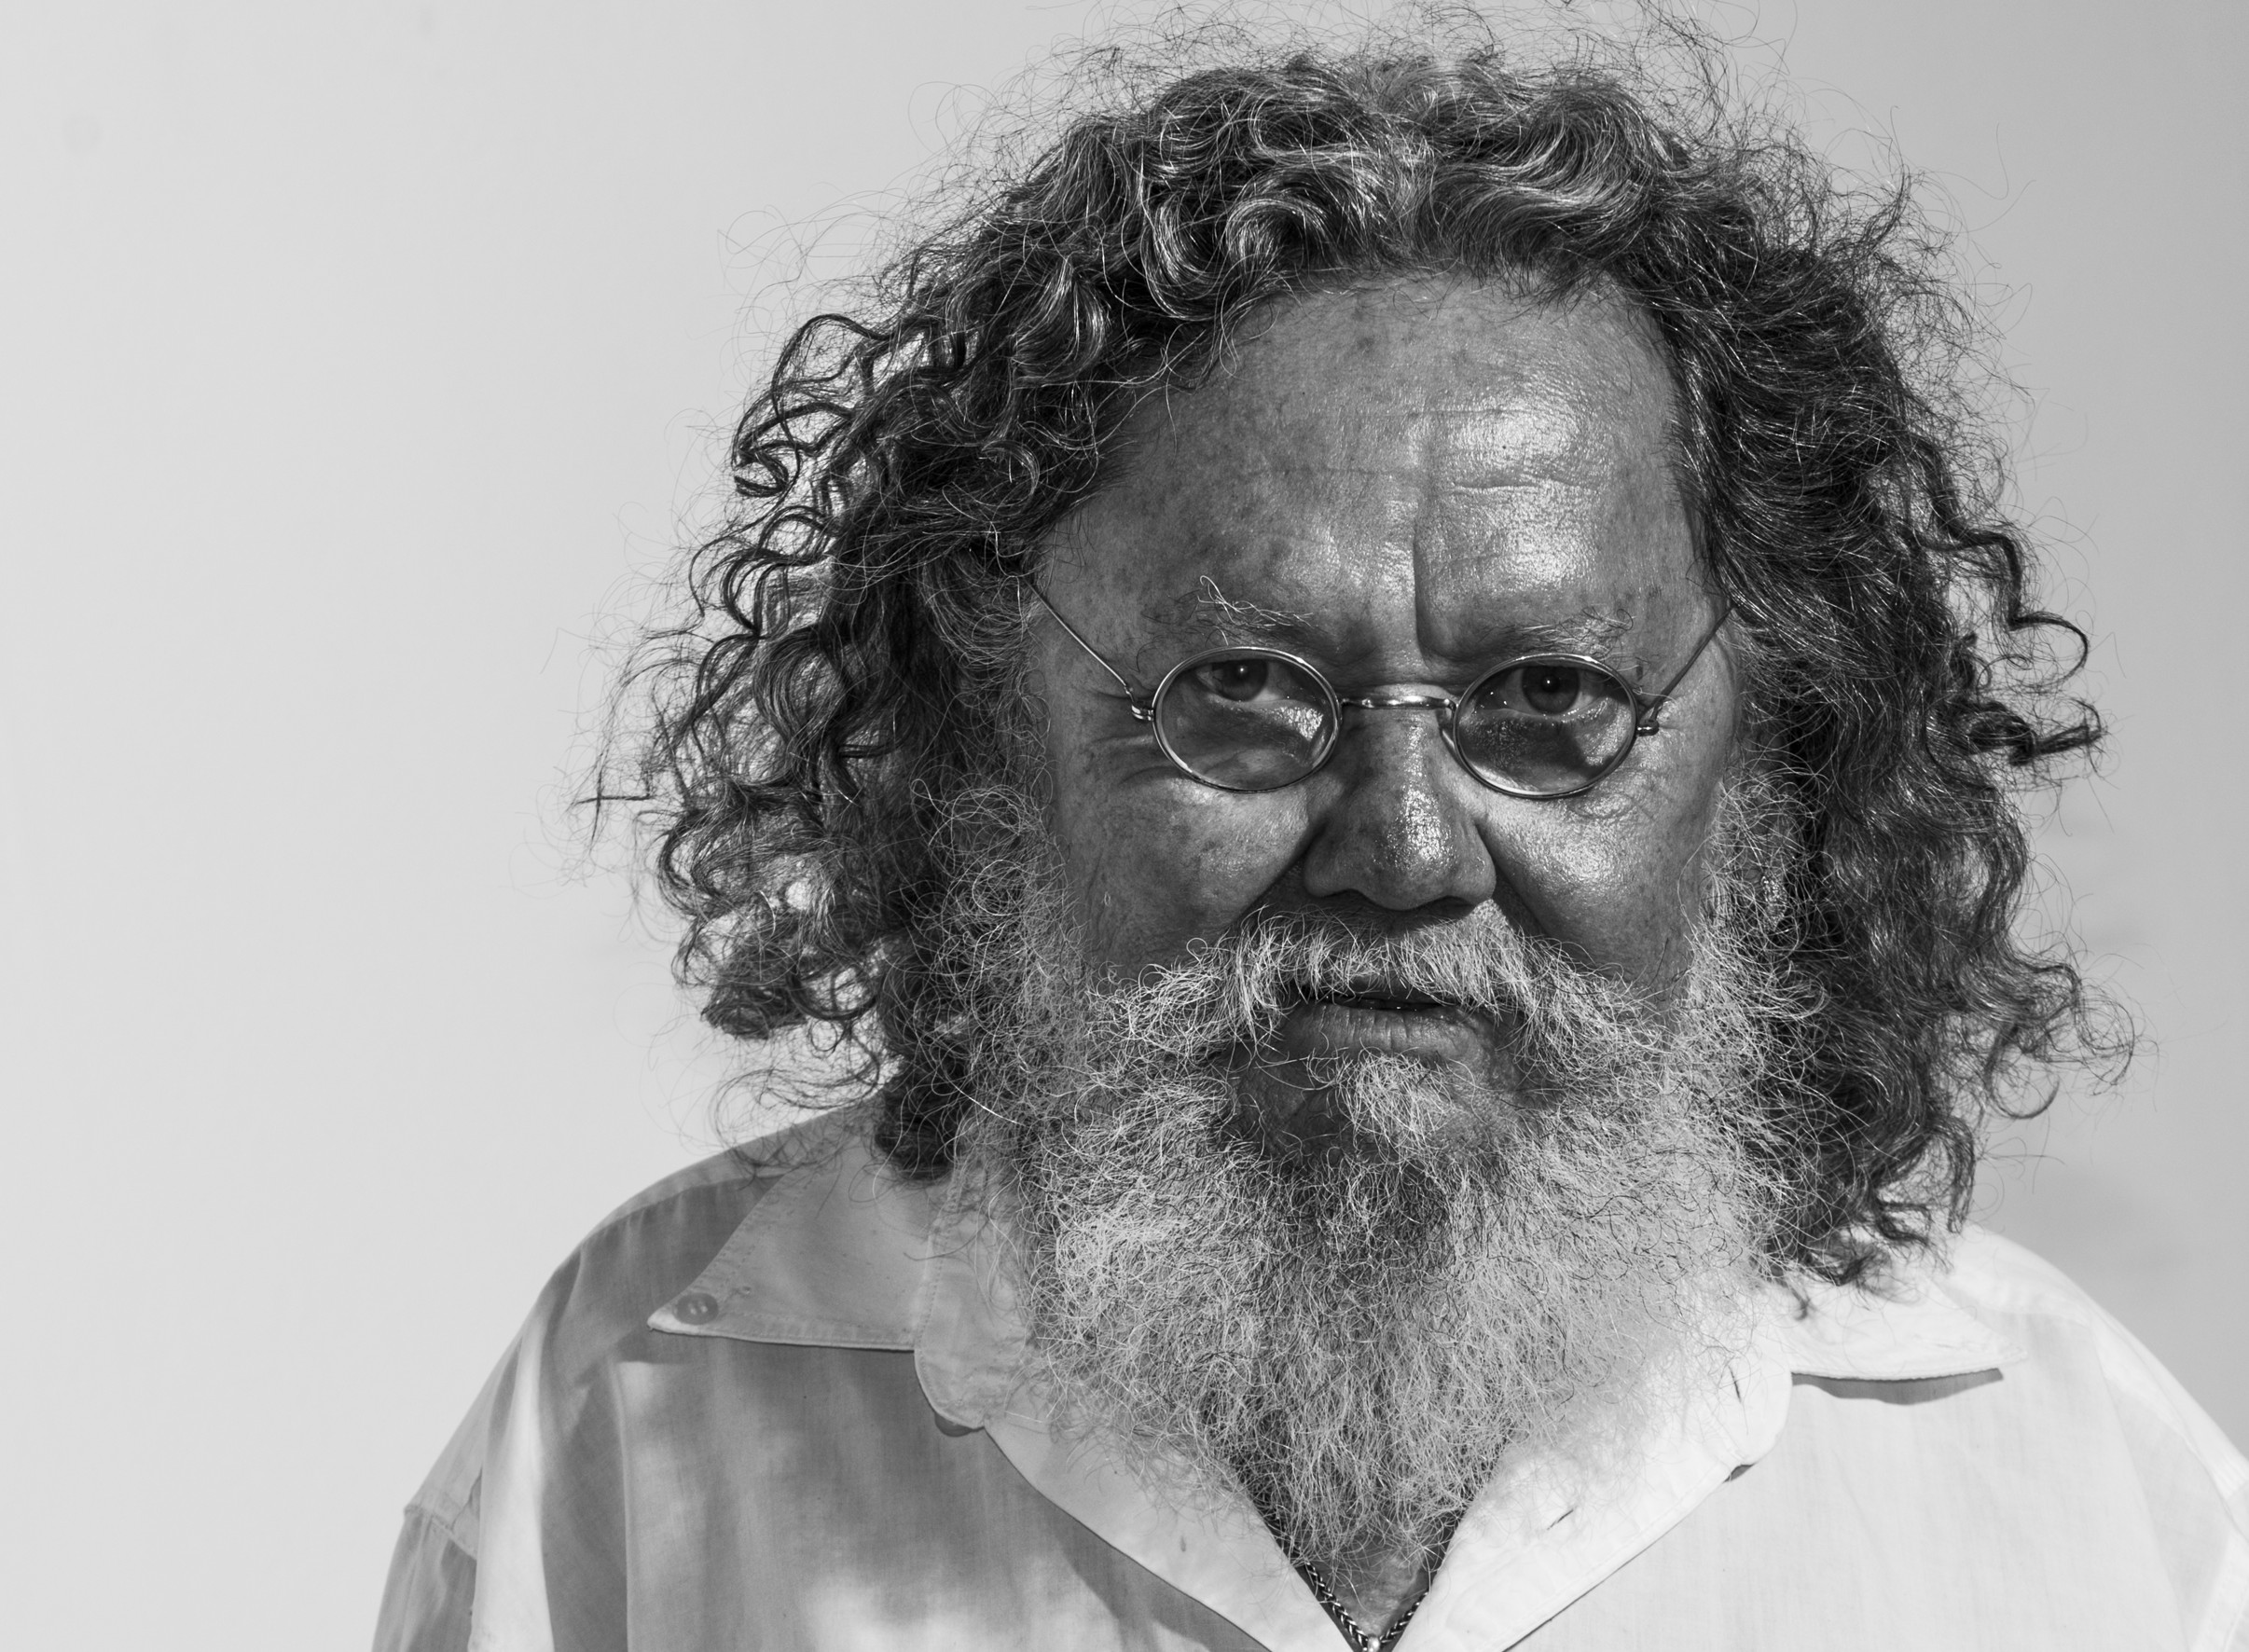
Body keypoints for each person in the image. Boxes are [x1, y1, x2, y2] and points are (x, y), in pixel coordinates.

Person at [374, 15, 2247, 1651]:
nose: (1407, 848)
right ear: (988, 730)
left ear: (1769, 761)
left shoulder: (2094, 1504)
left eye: (1551, 699)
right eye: (1243, 691)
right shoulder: (632, 1417)